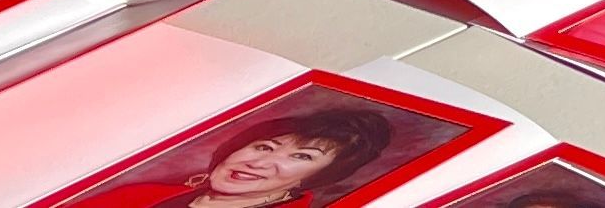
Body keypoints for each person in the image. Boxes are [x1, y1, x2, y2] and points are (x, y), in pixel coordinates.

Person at [74, 104, 399, 208]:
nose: (258, 162)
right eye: (264, 147)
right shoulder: (143, 194)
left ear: (316, 178)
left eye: (302, 157)